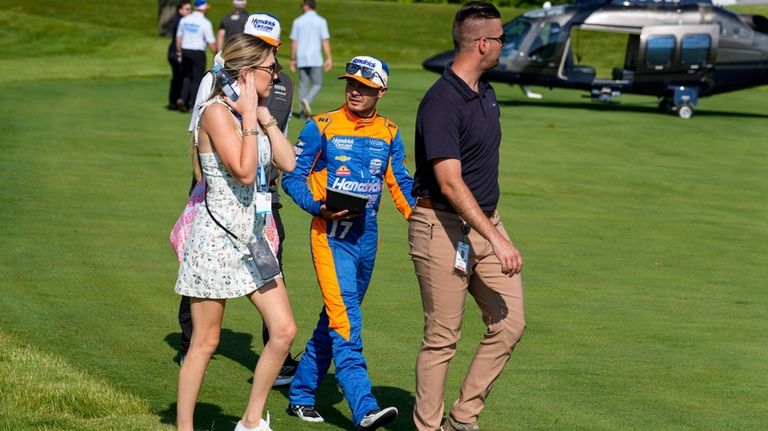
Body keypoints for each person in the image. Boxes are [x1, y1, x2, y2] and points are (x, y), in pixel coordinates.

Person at [409, 2, 526, 431]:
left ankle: (462, 417)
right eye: (500, 39)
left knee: (510, 323)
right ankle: (428, 426)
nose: (502, 46)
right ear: (482, 44)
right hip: (441, 227)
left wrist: (493, 231)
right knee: (442, 339)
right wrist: (496, 239)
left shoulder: (487, 94)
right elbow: (450, 183)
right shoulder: (441, 102)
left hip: (485, 224)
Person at [281, 55, 414, 430]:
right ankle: (365, 407)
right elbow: (292, 177)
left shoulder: (389, 131)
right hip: (329, 237)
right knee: (347, 322)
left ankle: (302, 394)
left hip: (366, 238)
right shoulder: (320, 126)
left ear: (381, 92)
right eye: (351, 84)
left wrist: (423, 220)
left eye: (365, 87)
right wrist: (318, 207)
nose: (355, 91)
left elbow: (401, 185)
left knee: (333, 318)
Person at [174, 33, 297, 431]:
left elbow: (288, 162)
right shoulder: (215, 113)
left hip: (253, 238)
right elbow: (243, 170)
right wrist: (247, 118)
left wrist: (265, 118)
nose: (275, 76)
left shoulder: (254, 113)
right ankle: (185, 427)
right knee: (206, 342)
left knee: (284, 330)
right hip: (217, 238)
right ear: (246, 74)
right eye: (269, 69)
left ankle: (249, 420)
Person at [289, 0, 332, 117]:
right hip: (315, 58)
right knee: (318, 83)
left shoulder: (298, 21)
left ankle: (302, 113)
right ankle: (307, 100)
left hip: (301, 57)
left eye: (302, 5)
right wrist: (329, 58)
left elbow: (294, 41)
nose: (302, 7)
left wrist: (293, 59)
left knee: (303, 84)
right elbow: (325, 40)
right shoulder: (321, 21)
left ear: (307, 6)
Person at [175, 0, 216, 112]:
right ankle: (194, 105)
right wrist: (216, 54)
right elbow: (211, 42)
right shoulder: (205, 23)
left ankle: (183, 98)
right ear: (203, 9)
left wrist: (179, 51)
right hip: (198, 52)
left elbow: (179, 37)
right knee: (197, 79)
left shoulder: (184, 19)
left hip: (185, 50)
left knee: (187, 76)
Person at [167, 1, 192, 111]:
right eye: (187, 9)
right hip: (177, 53)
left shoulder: (181, 20)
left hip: (174, 52)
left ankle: (174, 102)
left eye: (190, 9)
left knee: (177, 78)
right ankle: (180, 101)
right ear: (180, 10)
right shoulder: (181, 21)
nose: (189, 11)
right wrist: (179, 53)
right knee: (182, 77)